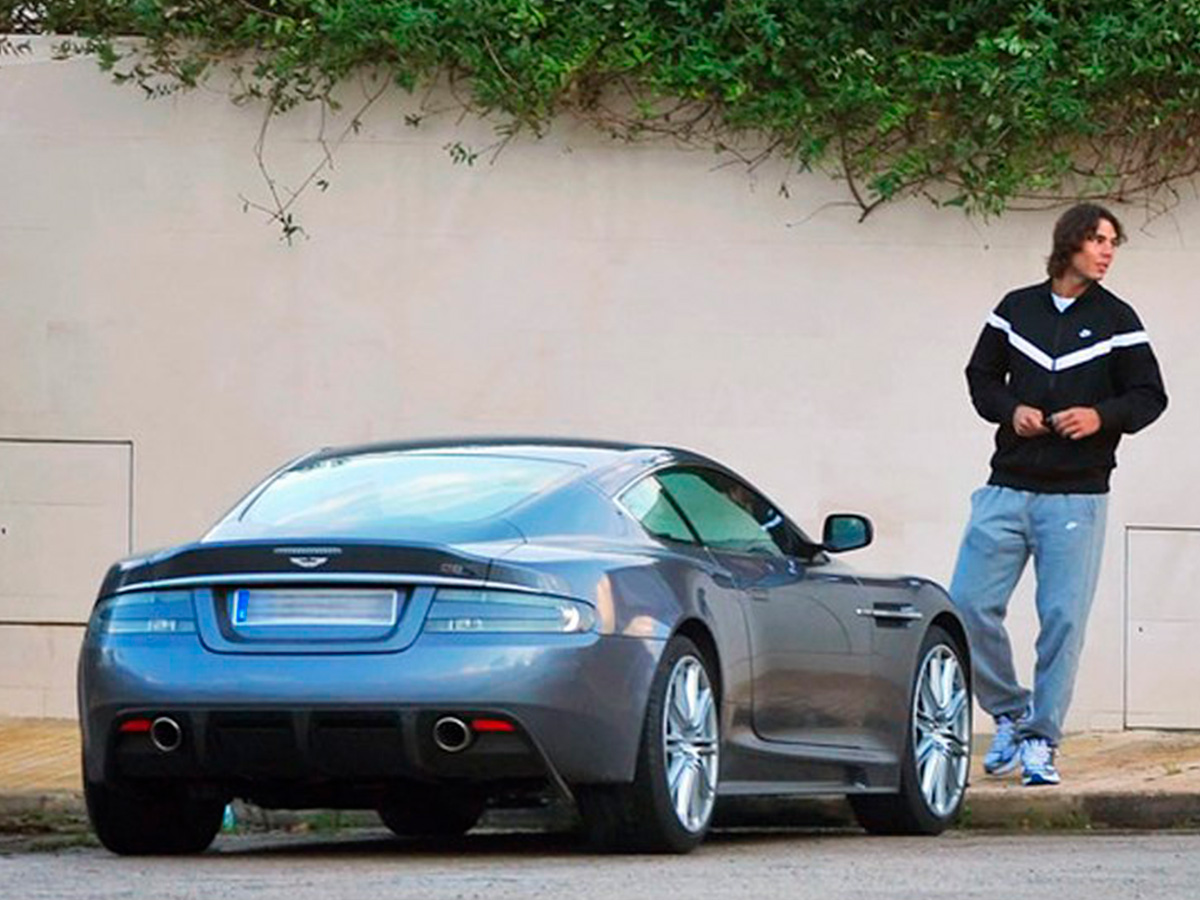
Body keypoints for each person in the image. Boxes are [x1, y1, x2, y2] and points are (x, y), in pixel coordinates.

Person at [950, 203, 1167, 787]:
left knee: (1063, 620)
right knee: (966, 607)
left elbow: (1149, 396)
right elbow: (981, 378)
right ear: (1070, 243)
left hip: (1077, 499)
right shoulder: (1015, 309)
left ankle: (1042, 742)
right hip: (1005, 487)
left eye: (1113, 243)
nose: (1107, 251)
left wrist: (1099, 417)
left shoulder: (1119, 319)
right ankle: (1013, 714)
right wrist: (1010, 409)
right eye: (1098, 240)